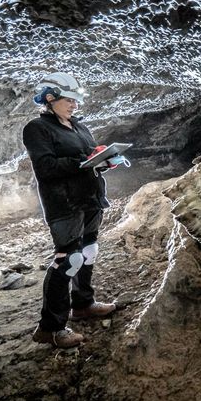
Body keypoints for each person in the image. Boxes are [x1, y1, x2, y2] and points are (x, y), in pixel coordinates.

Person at [23, 72, 124, 348]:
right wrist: (83, 161)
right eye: (69, 99)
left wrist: (103, 160)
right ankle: (50, 328)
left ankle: (83, 304)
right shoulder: (37, 129)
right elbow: (45, 167)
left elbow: (90, 155)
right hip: (63, 203)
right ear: (50, 99)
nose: (74, 105)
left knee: (89, 251)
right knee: (69, 260)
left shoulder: (78, 126)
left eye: (76, 100)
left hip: (90, 198)